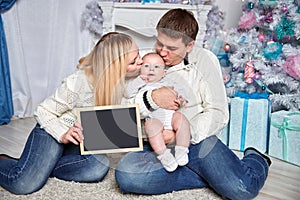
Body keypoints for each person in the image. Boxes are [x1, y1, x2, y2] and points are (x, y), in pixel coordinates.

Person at [115, 9, 272, 200]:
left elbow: (217, 112)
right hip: (155, 144)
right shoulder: (146, 61)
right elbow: (123, 108)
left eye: (171, 48)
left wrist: (179, 136)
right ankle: (212, 177)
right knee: (126, 176)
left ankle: (256, 159)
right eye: (160, 43)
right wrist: (152, 99)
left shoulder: (204, 60)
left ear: (189, 45)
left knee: (241, 190)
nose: (162, 52)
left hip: (199, 141)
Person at [0, 32, 143, 195]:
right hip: (54, 131)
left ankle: (42, 167)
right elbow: (43, 111)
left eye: (138, 54)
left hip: (80, 139)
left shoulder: (134, 80)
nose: (141, 61)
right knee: (23, 184)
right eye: (133, 61)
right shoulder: (78, 83)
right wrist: (62, 133)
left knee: (98, 167)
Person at [125, 52, 190, 172]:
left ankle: (182, 149)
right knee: (150, 126)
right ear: (140, 69)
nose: (151, 69)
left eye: (156, 67)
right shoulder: (140, 85)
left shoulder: (168, 83)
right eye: (146, 66)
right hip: (155, 119)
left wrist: (181, 99)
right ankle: (164, 155)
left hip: (171, 117)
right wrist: (139, 80)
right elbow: (128, 93)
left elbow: (182, 94)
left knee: (182, 119)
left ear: (164, 72)